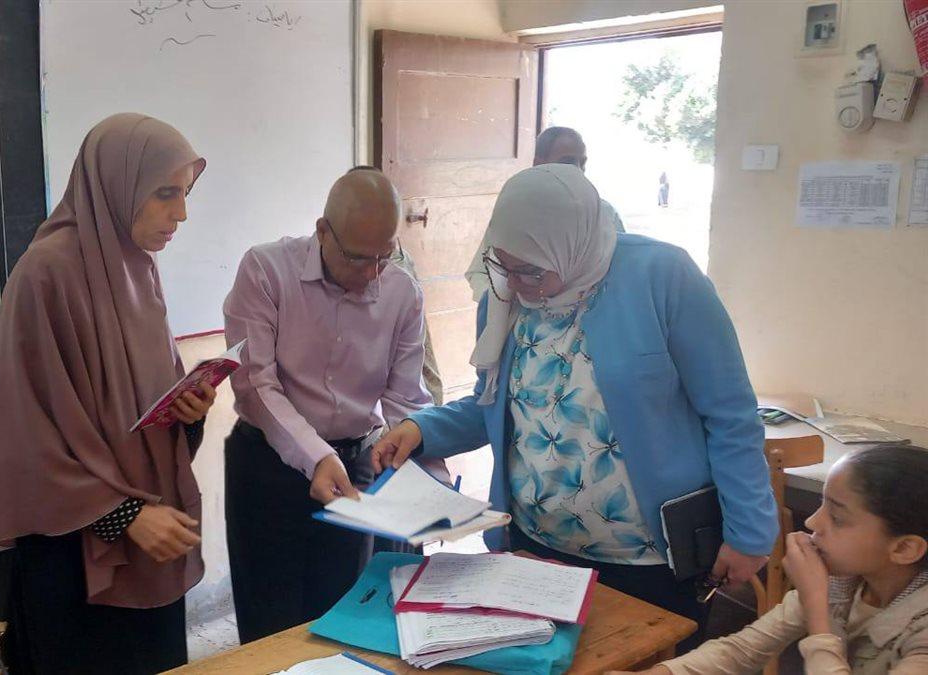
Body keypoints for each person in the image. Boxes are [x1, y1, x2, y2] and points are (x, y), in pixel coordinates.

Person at [373, 164, 776, 642]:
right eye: (504, 265)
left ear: (570, 243)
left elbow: (730, 415)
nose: (516, 283)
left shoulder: (663, 277)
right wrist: (422, 429)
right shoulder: (503, 300)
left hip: (649, 559)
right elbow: (496, 406)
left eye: (532, 270)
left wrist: (749, 533)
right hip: (536, 549)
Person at [0, 114, 217, 675]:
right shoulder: (44, 275)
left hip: (147, 542)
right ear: (117, 185)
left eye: (186, 193)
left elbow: (137, 413)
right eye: (165, 193)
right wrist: (123, 514)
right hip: (69, 559)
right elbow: (26, 440)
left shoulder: (137, 269)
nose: (181, 213)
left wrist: (188, 415)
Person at [223, 167, 432, 643]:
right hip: (268, 466)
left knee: (345, 619)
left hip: (355, 467)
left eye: (385, 256)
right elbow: (256, 384)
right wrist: (316, 455)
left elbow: (405, 398)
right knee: (270, 626)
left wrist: (423, 476)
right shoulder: (266, 270)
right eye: (358, 258)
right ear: (322, 231)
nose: (371, 273)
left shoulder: (402, 291)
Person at [617, 444, 928, 674]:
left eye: (836, 517)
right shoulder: (844, 582)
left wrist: (817, 611)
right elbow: (743, 649)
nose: (812, 522)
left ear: (904, 549)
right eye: (821, 506)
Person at [465, 126, 623, 300]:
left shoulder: (605, 215)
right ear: (539, 164)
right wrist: (503, 304)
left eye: (582, 163)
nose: (577, 170)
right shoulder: (516, 214)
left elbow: (618, 279)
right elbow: (480, 273)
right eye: (568, 162)